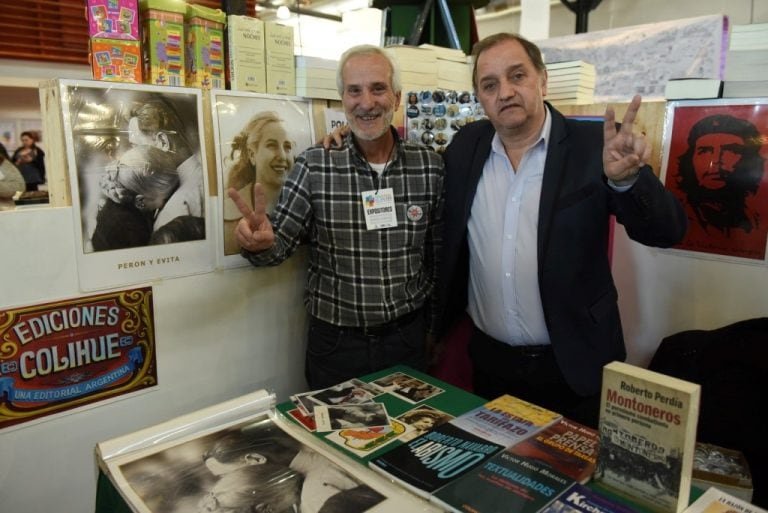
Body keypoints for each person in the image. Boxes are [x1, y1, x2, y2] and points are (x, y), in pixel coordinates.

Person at [439, 33, 687, 428]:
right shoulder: (465, 147)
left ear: (542, 80)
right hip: (490, 365)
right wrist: (349, 140)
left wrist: (628, 182)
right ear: (479, 97)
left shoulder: (594, 147)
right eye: (489, 85)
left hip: (574, 365)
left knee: (578, 484)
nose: (505, 92)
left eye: (517, 75)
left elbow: (667, 231)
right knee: (495, 484)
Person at [228, 44, 444, 390]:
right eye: (354, 91)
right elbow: (278, 245)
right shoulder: (316, 163)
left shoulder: (429, 166)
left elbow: (435, 257)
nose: (366, 102)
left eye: (378, 88)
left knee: (408, 441)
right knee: (333, 442)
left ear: (398, 98)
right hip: (337, 346)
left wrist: (433, 330)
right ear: (342, 99)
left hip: (407, 340)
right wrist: (260, 243)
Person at [672, 114, 767, 236]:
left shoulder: (755, 220)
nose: (716, 160)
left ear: (749, 160)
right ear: (690, 161)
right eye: (705, 151)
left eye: (731, 150)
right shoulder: (674, 215)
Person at [223, 112, 295, 255]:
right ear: (252, 154)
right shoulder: (227, 215)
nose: (282, 156)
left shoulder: (305, 204)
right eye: (272, 145)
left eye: (287, 147)